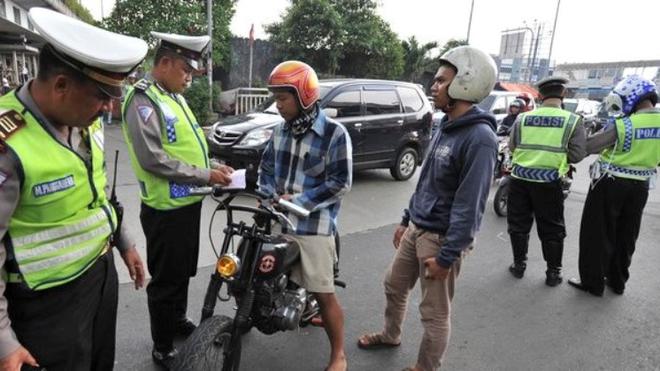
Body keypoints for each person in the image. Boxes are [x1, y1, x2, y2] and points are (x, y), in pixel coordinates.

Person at [0, 7, 147, 371]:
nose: (109, 107)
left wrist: (125, 244)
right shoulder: (7, 144)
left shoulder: (85, 122)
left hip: (100, 278)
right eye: (101, 95)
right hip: (45, 305)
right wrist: (3, 341)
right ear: (61, 84)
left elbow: (100, 193)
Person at [356, 46, 498, 371]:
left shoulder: (480, 139)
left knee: (434, 313)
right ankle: (391, 335)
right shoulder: (445, 126)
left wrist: (448, 257)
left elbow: (470, 205)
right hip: (417, 227)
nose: (433, 87)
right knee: (394, 285)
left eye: (440, 81)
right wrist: (406, 220)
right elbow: (426, 183)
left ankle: (425, 367)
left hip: (442, 239)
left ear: (465, 84)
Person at [121, 31, 233, 368]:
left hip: (187, 203)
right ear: (165, 62)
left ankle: (177, 320)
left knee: (182, 272)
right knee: (166, 280)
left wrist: (214, 166)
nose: (189, 77)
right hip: (165, 209)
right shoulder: (143, 100)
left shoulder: (174, 97)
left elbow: (187, 147)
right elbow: (153, 159)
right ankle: (162, 345)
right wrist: (206, 176)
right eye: (185, 69)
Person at [259, 60, 352, 371]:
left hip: (313, 224)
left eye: (283, 98)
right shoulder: (278, 131)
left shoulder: (334, 134)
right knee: (260, 272)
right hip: (280, 220)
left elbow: (340, 183)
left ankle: (339, 354)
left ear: (304, 96)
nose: (278, 105)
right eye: (275, 97)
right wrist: (269, 193)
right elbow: (267, 168)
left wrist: (298, 200)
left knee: (323, 293)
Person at [568, 75, 660, 296]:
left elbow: (585, 149)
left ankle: (593, 283)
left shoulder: (624, 125)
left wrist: (580, 129)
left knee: (597, 233)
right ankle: (618, 281)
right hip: (641, 187)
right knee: (627, 233)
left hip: (609, 184)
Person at [506, 77, 586, 286]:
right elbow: (577, 154)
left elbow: (513, 146)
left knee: (518, 225)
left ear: (540, 96)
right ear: (564, 95)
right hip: (549, 182)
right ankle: (553, 273)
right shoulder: (572, 120)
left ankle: (519, 265)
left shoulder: (523, 118)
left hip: (519, 179)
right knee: (551, 228)